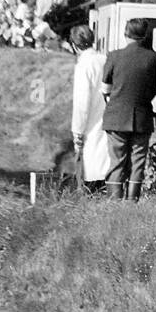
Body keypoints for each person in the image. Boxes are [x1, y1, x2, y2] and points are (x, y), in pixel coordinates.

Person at [100, 17, 156, 201]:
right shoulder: (152, 58)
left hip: (116, 117)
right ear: (144, 36)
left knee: (116, 161)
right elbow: (153, 91)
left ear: (125, 34)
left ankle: (114, 200)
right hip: (142, 117)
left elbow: (105, 89)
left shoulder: (114, 56)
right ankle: (132, 201)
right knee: (138, 162)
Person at [70, 25, 115, 193]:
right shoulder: (105, 59)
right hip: (109, 116)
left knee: (91, 169)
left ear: (74, 45)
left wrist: (77, 131)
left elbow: (82, 103)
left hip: (90, 122)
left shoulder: (83, 66)